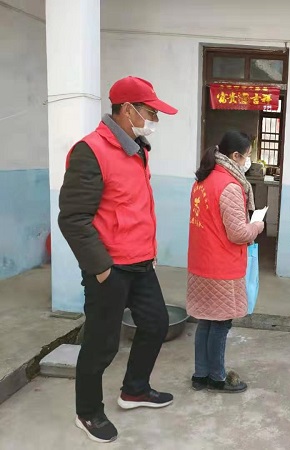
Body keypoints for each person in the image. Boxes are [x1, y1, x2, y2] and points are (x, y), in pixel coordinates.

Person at [58, 76, 178, 443]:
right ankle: (87, 412)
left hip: (140, 261)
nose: (153, 120)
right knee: (102, 343)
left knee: (156, 324)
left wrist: (149, 252)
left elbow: (135, 208)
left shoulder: (137, 149)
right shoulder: (91, 151)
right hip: (110, 267)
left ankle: (134, 390)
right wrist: (101, 269)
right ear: (127, 110)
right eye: (150, 112)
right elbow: (73, 218)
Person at [187, 131, 264, 393]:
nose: (248, 161)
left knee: (205, 321)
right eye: (248, 156)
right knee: (220, 324)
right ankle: (217, 377)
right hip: (221, 266)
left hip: (200, 263)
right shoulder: (229, 186)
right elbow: (238, 233)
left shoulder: (203, 179)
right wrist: (257, 226)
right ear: (235, 156)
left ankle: (200, 375)